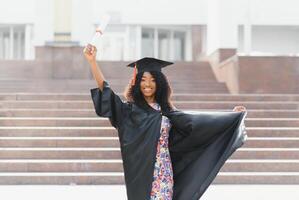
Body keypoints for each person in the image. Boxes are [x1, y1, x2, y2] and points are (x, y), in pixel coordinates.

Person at [83, 44, 247, 200]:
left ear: (160, 83)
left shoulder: (167, 111)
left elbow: (197, 122)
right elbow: (107, 93)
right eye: (143, 79)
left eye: (153, 80)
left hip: (164, 172)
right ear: (136, 82)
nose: (148, 84)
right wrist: (92, 62)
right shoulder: (128, 112)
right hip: (140, 174)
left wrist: (231, 117)